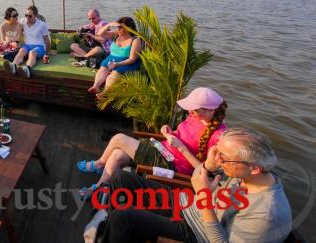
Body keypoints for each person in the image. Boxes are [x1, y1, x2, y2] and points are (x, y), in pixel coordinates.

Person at [99, 126, 292, 243]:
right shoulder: (245, 172)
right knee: (120, 178)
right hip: (190, 207)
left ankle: (115, 230)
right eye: (218, 153)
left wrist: (205, 197)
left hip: (199, 231)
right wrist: (209, 164)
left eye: (224, 158)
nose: (219, 162)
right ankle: (114, 232)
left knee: (124, 219)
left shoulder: (267, 213)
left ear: (255, 168)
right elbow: (199, 176)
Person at [77, 87, 228, 196]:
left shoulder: (218, 136)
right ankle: (100, 187)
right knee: (116, 154)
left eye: (194, 109)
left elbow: (205, 172)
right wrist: (168, 131)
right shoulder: (195, 117)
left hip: (171, 165)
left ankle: (98, 164)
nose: (189, 112)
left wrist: (181, 148)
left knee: (119, 139)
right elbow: (181, 134)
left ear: (210, 110)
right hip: (161, 149)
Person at [88, 16, 141, 94]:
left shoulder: (135, 40)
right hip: (112, 59)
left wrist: (117, 64)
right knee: (103, 68)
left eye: (120, 27)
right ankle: (95, 86)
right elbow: (99, 34)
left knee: (115, 72)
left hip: (127, 62)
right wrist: (109, 25)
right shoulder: (116, 35)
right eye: (118, 27)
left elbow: (132, 59)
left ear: (128, 28)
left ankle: (104, 93)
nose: (118, 29)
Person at [3, 5, 51, 78]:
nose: (27, 18)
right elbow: (13, 24)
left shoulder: (42, 25)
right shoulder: (23, 21)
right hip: (27, 45)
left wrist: (46, 53)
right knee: (22, 50)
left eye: (30, 16)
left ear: (36, 16)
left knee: (32, 52)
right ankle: (13, 66)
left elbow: (47, 40)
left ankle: (28, 69)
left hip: (39, 46)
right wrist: (5, 25)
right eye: (26, 15)